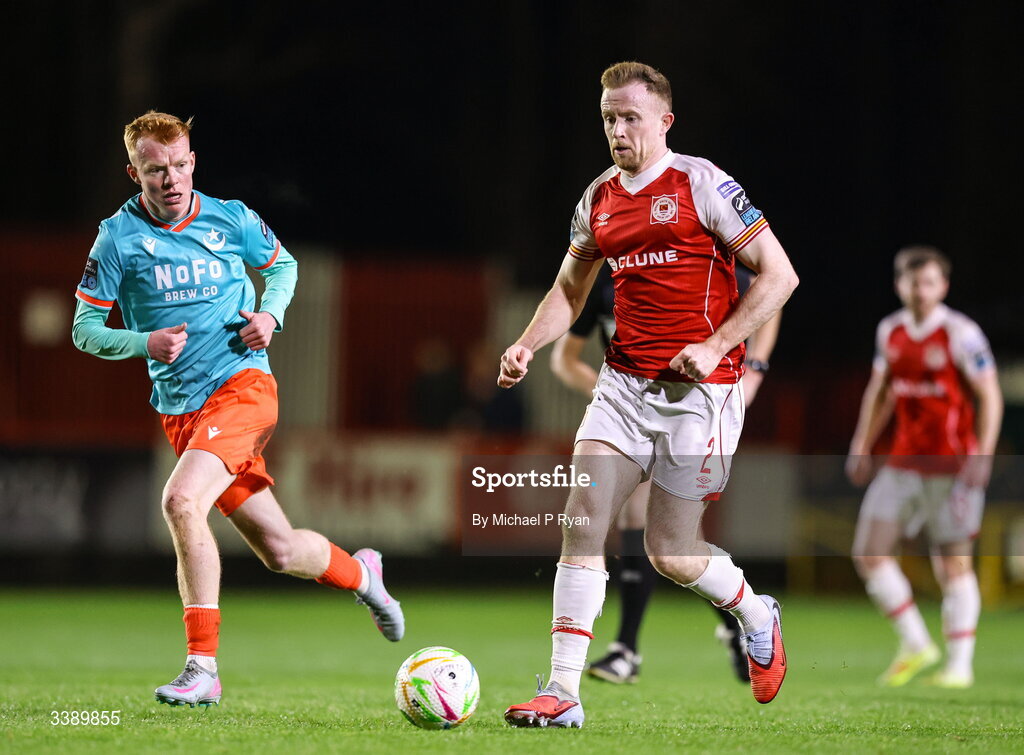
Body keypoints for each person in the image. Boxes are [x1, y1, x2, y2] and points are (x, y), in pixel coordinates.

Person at [498, 61, 798, 728]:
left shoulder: (704, 182)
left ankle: (755, 610)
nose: (617, 129)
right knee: (585, 513)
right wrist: (528, 343)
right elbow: (570, 290)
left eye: (630, 116)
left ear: (664, 121)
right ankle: (564, 691)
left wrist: (719, 345)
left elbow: (779, 276)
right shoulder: (600, 196)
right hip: (623, 384)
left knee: (671, 552)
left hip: (704, 392)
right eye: (608, 118)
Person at [72, 112, 405, 709]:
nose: (171, 179)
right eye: (155, 170)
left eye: (179, 165)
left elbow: (283, 266)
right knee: (279, 550)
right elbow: (84, 329)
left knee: (179, 501)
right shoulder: (116, 239)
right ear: (134, 173)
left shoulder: (230, 217)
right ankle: (364, 576)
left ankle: (202, 667)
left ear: (192, 161)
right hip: (184, 413)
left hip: (243, 389)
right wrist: (140, 343)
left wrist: (269, 316)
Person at [551, 265, 781, 685]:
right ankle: (608, 660)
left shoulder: (696, 261)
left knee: (668, 547)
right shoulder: (605, 280)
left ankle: (741, 618)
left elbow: (773, 289)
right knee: (607, 522)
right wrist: (610, 399)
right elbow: (564, 360)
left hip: (693, 410)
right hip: (631, 408)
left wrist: (757, 367)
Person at [846, 245, 1002, 689]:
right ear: (899, 285)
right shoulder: (890, 331)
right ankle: (916, 643)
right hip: (901, 462)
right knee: (869, 552)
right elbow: (882, 391)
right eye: (913, 282)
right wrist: (862, 442)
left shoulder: (960, 333)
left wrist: (983, 455)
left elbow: (989, 395)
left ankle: (959, 666)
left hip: (953, 466)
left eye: (929, 282)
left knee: (952, 565)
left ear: (943, 286)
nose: (920, 291)